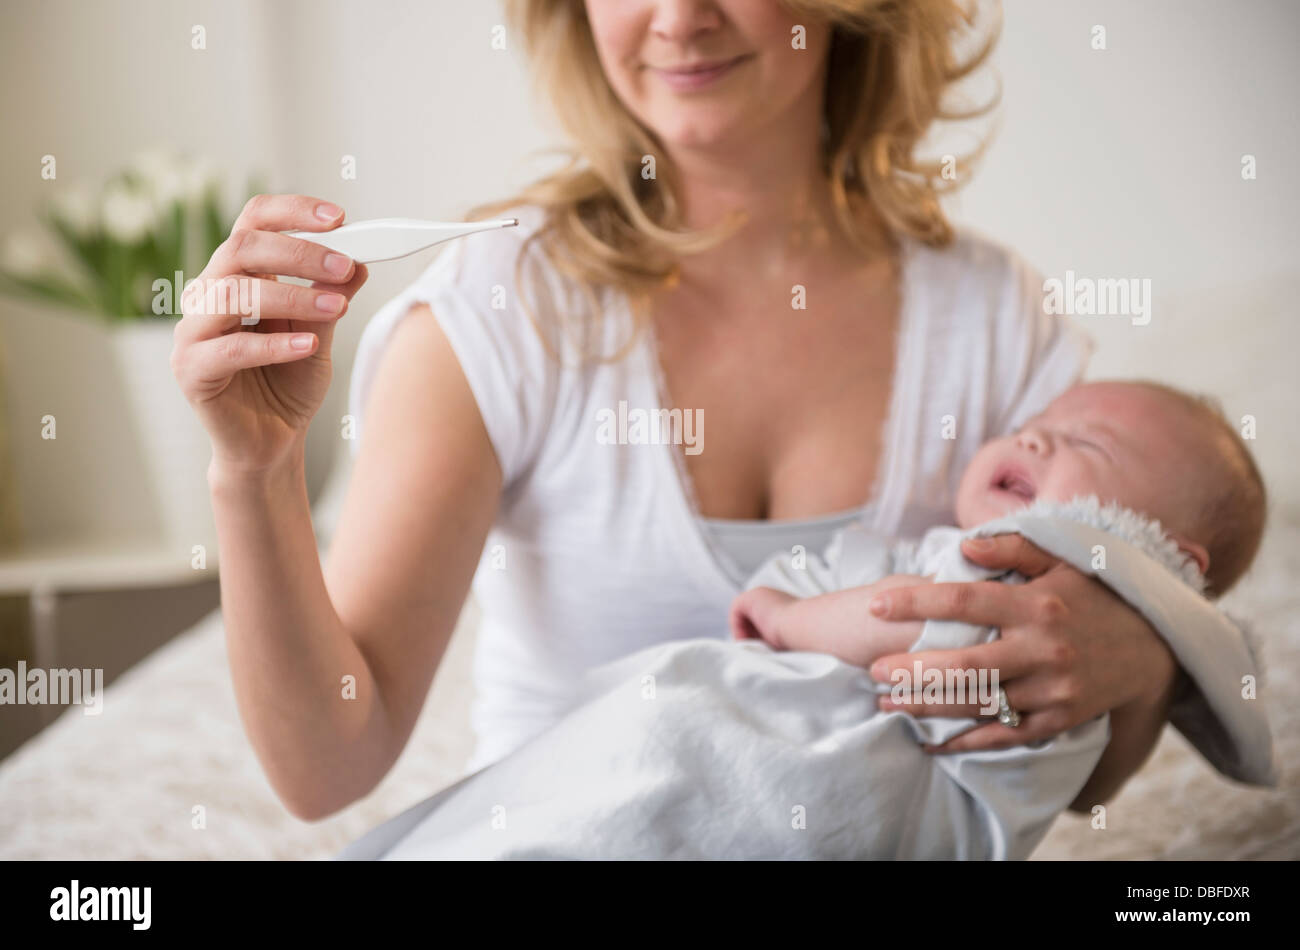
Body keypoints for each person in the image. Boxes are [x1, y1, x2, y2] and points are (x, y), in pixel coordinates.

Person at [171, 0, 1232, 823]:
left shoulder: (995, 325)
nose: (678, 17)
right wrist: (251, 473)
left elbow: (1077, 783)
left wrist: (1141, 650)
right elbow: (326, 766)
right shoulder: (493, 316)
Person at [336, 379, 1269, 859]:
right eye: (1039, 422)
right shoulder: (946, 554)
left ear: (1160, 555)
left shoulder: (1038, 609)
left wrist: (790, 617)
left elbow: (916, 640)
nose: (1032, 437)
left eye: (1086, 445)